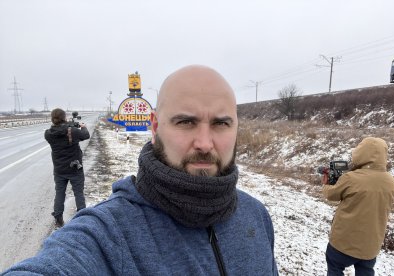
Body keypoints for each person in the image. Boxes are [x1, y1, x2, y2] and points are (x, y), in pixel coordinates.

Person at [3, 65, 278, 275]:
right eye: (185, 122)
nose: (205, 143)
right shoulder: (108, 234)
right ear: (156, 128)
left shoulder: (257, 216)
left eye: (221, 124)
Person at [322, 137, 394, 276]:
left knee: (334, 267)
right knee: (366, 271)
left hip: (343, 243)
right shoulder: (392, 182)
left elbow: (331, 196)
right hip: (371, 246)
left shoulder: (350, 178)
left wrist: (327, 184)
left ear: (360, 153)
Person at [44, 108, 90, 227]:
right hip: (75, 168)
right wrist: (82, 126)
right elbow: (86, 135)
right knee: (78, 193)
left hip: (59, 169)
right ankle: (82, 218)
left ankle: (58, 219)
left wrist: (69, 126)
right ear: (64, 118)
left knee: (60, 193)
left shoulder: (48, 134)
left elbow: (60, 132)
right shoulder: (72, 131)